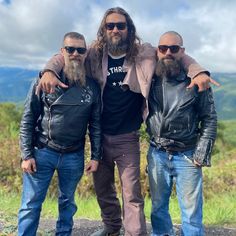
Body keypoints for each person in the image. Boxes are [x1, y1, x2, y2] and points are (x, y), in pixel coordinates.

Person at [35, 7, 218, 236]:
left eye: (121, 25)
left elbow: (176, 53)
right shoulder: (94, 53)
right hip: (100, 135)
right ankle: (111, 227)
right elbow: (66, 54)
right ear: (104, 29)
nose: (115, 30)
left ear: (129, 29)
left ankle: (135, 233)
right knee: (103, 189)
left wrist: (198, 70)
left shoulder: (144, 52)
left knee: (131, 192)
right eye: (110, 25)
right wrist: (49, 71)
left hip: (128, 137)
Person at [18, 32, 101, 236]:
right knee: (31, 203)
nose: (75, 54)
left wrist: (95, 156)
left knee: (68, 203)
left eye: (80, 50)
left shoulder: (92, 87)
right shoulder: (44, 81)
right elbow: (28, 117)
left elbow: (95, 124)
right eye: (70, 49)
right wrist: (26, 155)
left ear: (85, 54)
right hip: (43, 150)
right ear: (62, 51)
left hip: (74, 154)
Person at [146, 31, 217, 236]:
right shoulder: (150, 78)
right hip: (157, 152)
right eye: (163, 48)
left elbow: (209, 118)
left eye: (174, 48)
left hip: (187, 154)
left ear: (182, 51)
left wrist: (201, 155)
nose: (168, 52)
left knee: (191, 211)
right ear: (157, 52)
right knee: (158, 208)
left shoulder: (196, 81)